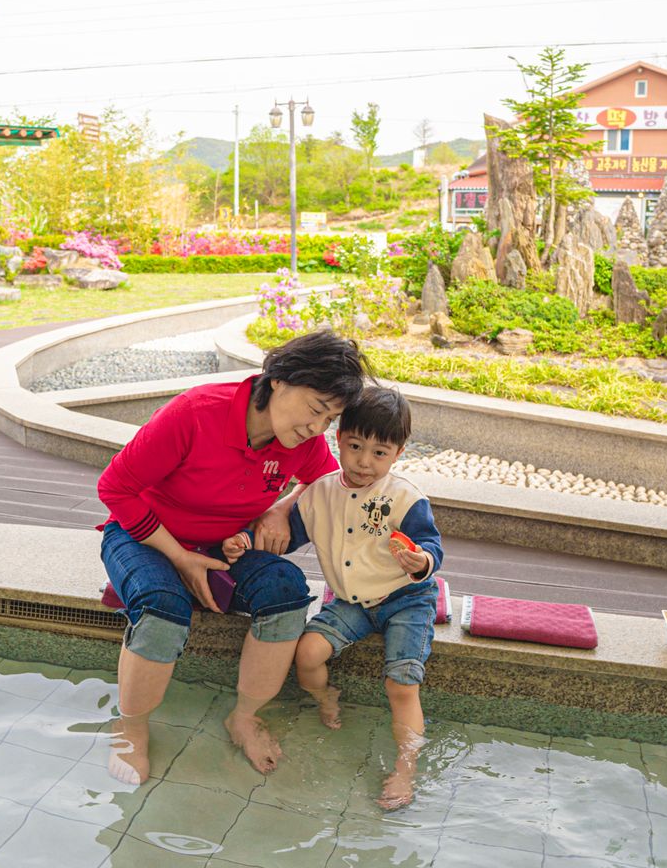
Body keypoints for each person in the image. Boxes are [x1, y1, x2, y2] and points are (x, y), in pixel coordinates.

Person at [97, 330, 370, 785]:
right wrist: (180, 558)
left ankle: (245, 717)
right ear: (279, 380)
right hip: (145, 535)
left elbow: (327, 485)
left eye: (331, 418)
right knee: (163, 608)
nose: (317, 427)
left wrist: (281, 509)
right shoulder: (196, 412)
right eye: (316, 409)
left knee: (287, 590)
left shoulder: (301, 440)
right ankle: (130, 728)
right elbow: (114, 488)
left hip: (225, 545)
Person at [223, 385, 442, 810]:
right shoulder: (320, 492)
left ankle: (405, 768)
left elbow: (431, 545)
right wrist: (245, 541)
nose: (364, 461)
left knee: (401, 683)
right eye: (356, 446)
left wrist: (420, 561)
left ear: (398, 453)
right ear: (337, 438)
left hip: (406, 598)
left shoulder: (405, 498)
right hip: (351, 602)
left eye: (380, 453)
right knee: (306, 654)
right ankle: (326, 697)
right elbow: (285, 537)